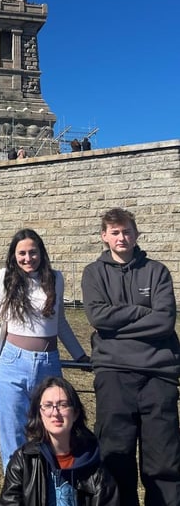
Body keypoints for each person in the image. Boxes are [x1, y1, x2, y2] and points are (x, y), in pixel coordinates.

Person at [81, 208, 180, 506]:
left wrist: (117, 326)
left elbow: (164, 321)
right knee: (115, 456)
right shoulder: (93, 273)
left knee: (163, 459)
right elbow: (98, 317)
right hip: (113, 374)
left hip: (158, 375)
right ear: (104, 237)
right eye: (115, 232)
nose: (121, 237)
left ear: (136, 234)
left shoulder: (157, 271)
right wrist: (140, 312)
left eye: (126, 231)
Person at [0, 228, 88, 471]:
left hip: (49, 364)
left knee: (54, 433)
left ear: (41, 253)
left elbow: (60, 322)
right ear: (13, 255)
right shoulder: (5, 277)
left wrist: (79, 355)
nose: (27, 258)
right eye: (22, 253)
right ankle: (17, 492)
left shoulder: (55, 278)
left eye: (33, 252)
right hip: (12, 363)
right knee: (13, 436)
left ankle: (50, 488)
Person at [0, 376, 119, 505]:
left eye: (63, 405)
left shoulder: (96, 465)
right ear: (40, 413)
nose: (55, 413)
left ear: (75, 413)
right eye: (48, 405)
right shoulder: (24, 459)